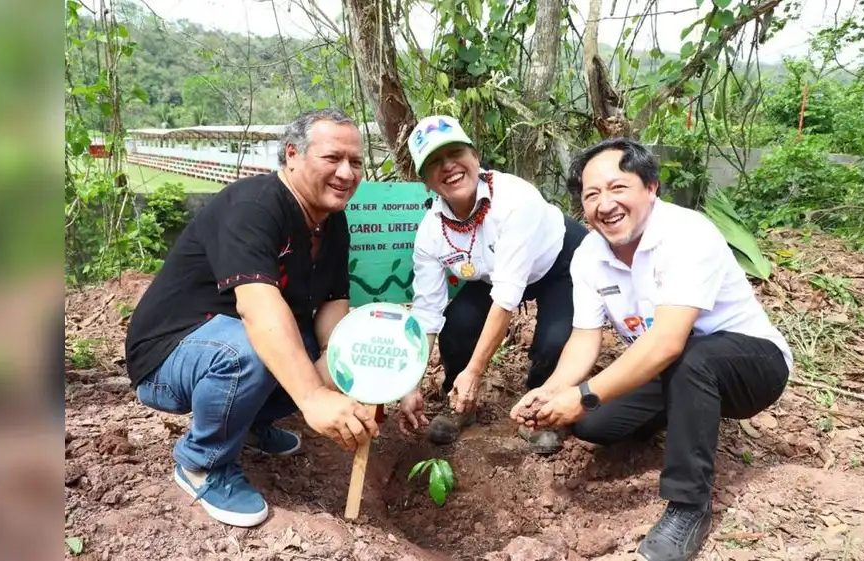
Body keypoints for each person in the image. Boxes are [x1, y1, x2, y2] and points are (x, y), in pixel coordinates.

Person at [509, 138, 793, 561]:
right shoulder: (589, 255)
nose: (605, 204)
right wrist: (552, 391)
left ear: (652, 188)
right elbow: (586, 337)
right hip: (676, 369)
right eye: (592, 195)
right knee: (593, 424)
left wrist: (585, 394)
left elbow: (667, 342)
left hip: (752, 365)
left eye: (618, 188)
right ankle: (684, 416)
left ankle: (688, 507)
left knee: (691, 361)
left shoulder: (686, 234)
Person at [124, 108, 379, 528]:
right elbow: (258, 310)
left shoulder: (332, 222)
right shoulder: (254, 206)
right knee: (255, 349)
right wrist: (313, 397)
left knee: (317, 351)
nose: (347, 173)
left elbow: (334, 299)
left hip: (230, 341)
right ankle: (203, 464)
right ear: (293, 155)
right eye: (333, 159)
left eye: (356, 162)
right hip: (167, 357)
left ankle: (251, 428)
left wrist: (334, 361)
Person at [398, 115, 588, 454]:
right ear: (424, 180)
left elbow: (506, 298)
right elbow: (427, 310)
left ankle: (539, 411)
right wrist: (410, 384)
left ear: (474, 156)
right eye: (434, 163)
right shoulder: (430, 231)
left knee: (554, 341)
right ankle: (461, 405)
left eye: (455, 153)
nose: (449, 167)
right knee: (456, 326)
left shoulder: (516, 200)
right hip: (493, 273)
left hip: (558, 262)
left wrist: (476, 369)